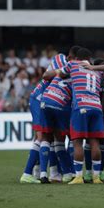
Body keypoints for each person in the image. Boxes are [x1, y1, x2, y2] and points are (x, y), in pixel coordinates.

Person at [57, 48, 104, 185]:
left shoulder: (73, 65)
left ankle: (79, 176)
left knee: (78, 142)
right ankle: (96, 177)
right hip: (96, 107)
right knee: (94, 142)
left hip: (81, 106)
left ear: (77, 58)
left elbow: (61, 75)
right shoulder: (97, 70)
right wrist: (93, 66)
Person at [40, 54, 74, 183]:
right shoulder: (76, 75)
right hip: (60, 104)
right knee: (62, 138)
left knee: (45, 137)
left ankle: (43, 173)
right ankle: (68, 173)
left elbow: (46, 75)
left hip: (45, 100)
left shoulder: (59, 72)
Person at [19, 69, 50, 184]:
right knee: (41, 137)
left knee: (39, 137)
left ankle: (34, 171)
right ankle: (29, 173)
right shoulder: (61, 68)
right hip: (39, 101)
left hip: (37, 99)